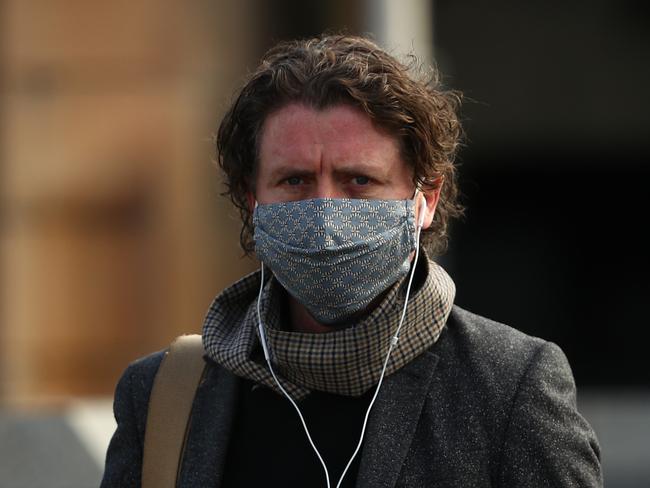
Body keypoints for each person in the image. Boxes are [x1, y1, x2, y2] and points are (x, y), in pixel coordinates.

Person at [101, 34, 603, 487]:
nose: (325, 214)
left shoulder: (508, 388)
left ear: (425, 198)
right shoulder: (166, 398)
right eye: (294, 180)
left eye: (358, 181)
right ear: (252, 200)